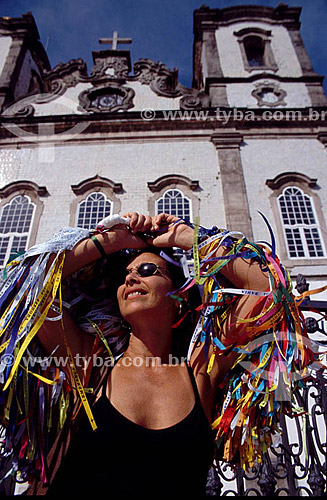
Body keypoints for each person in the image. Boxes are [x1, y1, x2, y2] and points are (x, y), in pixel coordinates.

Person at [0, 212, 315, 495]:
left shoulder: (201, 369)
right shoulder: (91, 363)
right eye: (126, 275)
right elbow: (30, 286)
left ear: (177, 300)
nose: (131, 277)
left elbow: (270, 288)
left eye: (148, 270)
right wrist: (110, 241)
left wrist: (187, 237)